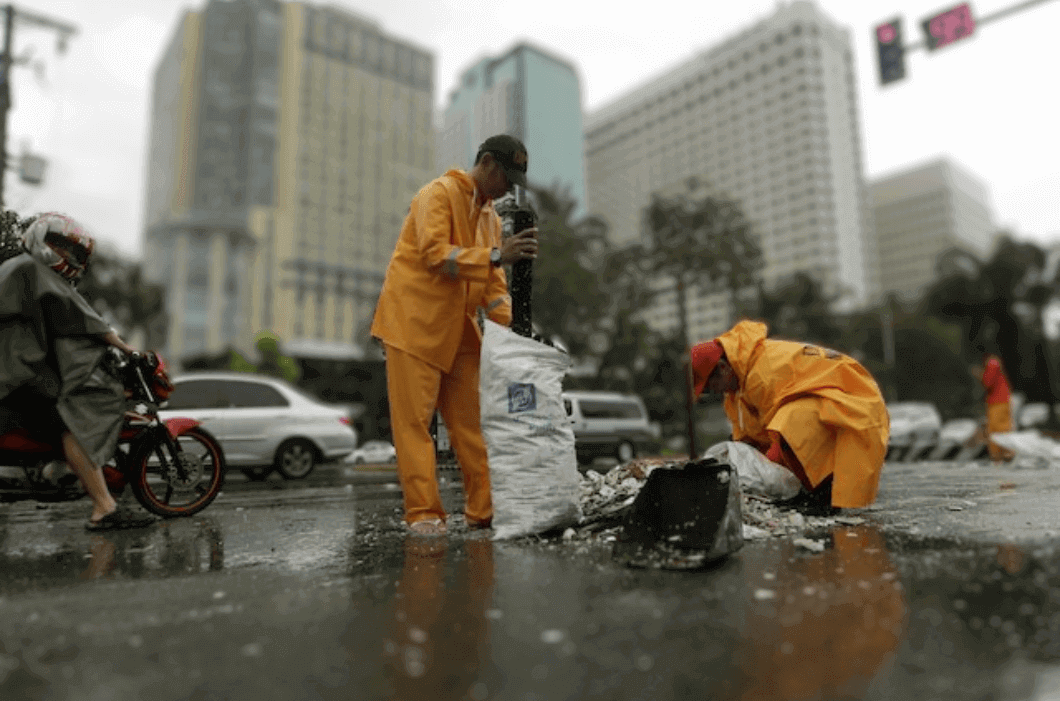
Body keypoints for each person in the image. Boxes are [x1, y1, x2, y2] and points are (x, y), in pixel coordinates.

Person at [371, 134, 539, 536]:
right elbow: (435, 255)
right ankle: (424, 514)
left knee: (473, 425)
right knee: (414, 426)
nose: (507, 189)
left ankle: (484, 510)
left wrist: (513, 337)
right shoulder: (437, 194)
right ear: (486, 163)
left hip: (459, 330)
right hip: (413, 325)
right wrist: (499, 254)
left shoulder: (490, 218)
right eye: (506, 177)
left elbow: (494, 287)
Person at [0, 212, 156, 531]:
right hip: (18, 371)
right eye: (62, 247)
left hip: (19, 367)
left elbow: (65, 323)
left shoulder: (19, 270)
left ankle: (54, 474)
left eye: (74, 252)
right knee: (70, 421)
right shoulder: (31, 267)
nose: (69, 257)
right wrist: (126, 348)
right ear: (43, 240)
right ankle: (104, 507)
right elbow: (81, 315)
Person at [690, 320, 890, 513]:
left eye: (709, 386)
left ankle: (820, 494)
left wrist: (770, 477)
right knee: (790, 428)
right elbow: (750, 439)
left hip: (854, 399)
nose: (713, 392)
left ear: (724, 369)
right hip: (827, 400)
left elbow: (778, 440)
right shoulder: (737, 392)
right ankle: (811, 490)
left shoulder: (762, 374)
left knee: (792, 423)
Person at [976, 346, 1015, 463]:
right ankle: (1001, 455)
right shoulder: (994, 362)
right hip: (999, 400)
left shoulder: (992, 363)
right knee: (998, 428)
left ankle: (1002, 454)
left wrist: (979, 374)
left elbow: (988, 382)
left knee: (998, 428)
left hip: (998, 401)